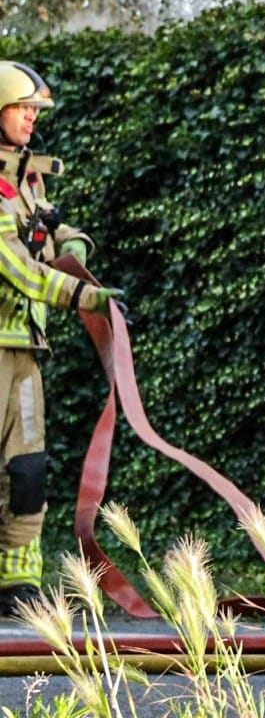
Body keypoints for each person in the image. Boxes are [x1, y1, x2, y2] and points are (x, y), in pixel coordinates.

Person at [0, 62, 122, 618]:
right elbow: (21, 272)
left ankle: (15, 584)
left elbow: (49, 241)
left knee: (28, 470)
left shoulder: (27, 179)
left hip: (24, 349)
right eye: (23, 107)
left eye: (34, 110)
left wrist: (76, 243)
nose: (31, 117)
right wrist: (89, 297)